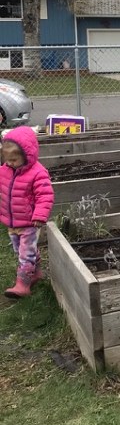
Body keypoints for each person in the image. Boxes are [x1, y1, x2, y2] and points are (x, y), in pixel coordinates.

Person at [0, 126, 54, 299]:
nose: (10, 163)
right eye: (7, 160)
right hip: (12, 221)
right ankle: (36, 272)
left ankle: (23, 284)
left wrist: (39, 215)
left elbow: (45, 195)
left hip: (29, 222)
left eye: (14, 160)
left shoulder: (38, 173)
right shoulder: (5, 170)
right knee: (20, 250)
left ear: (27, 156)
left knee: (25, 254)